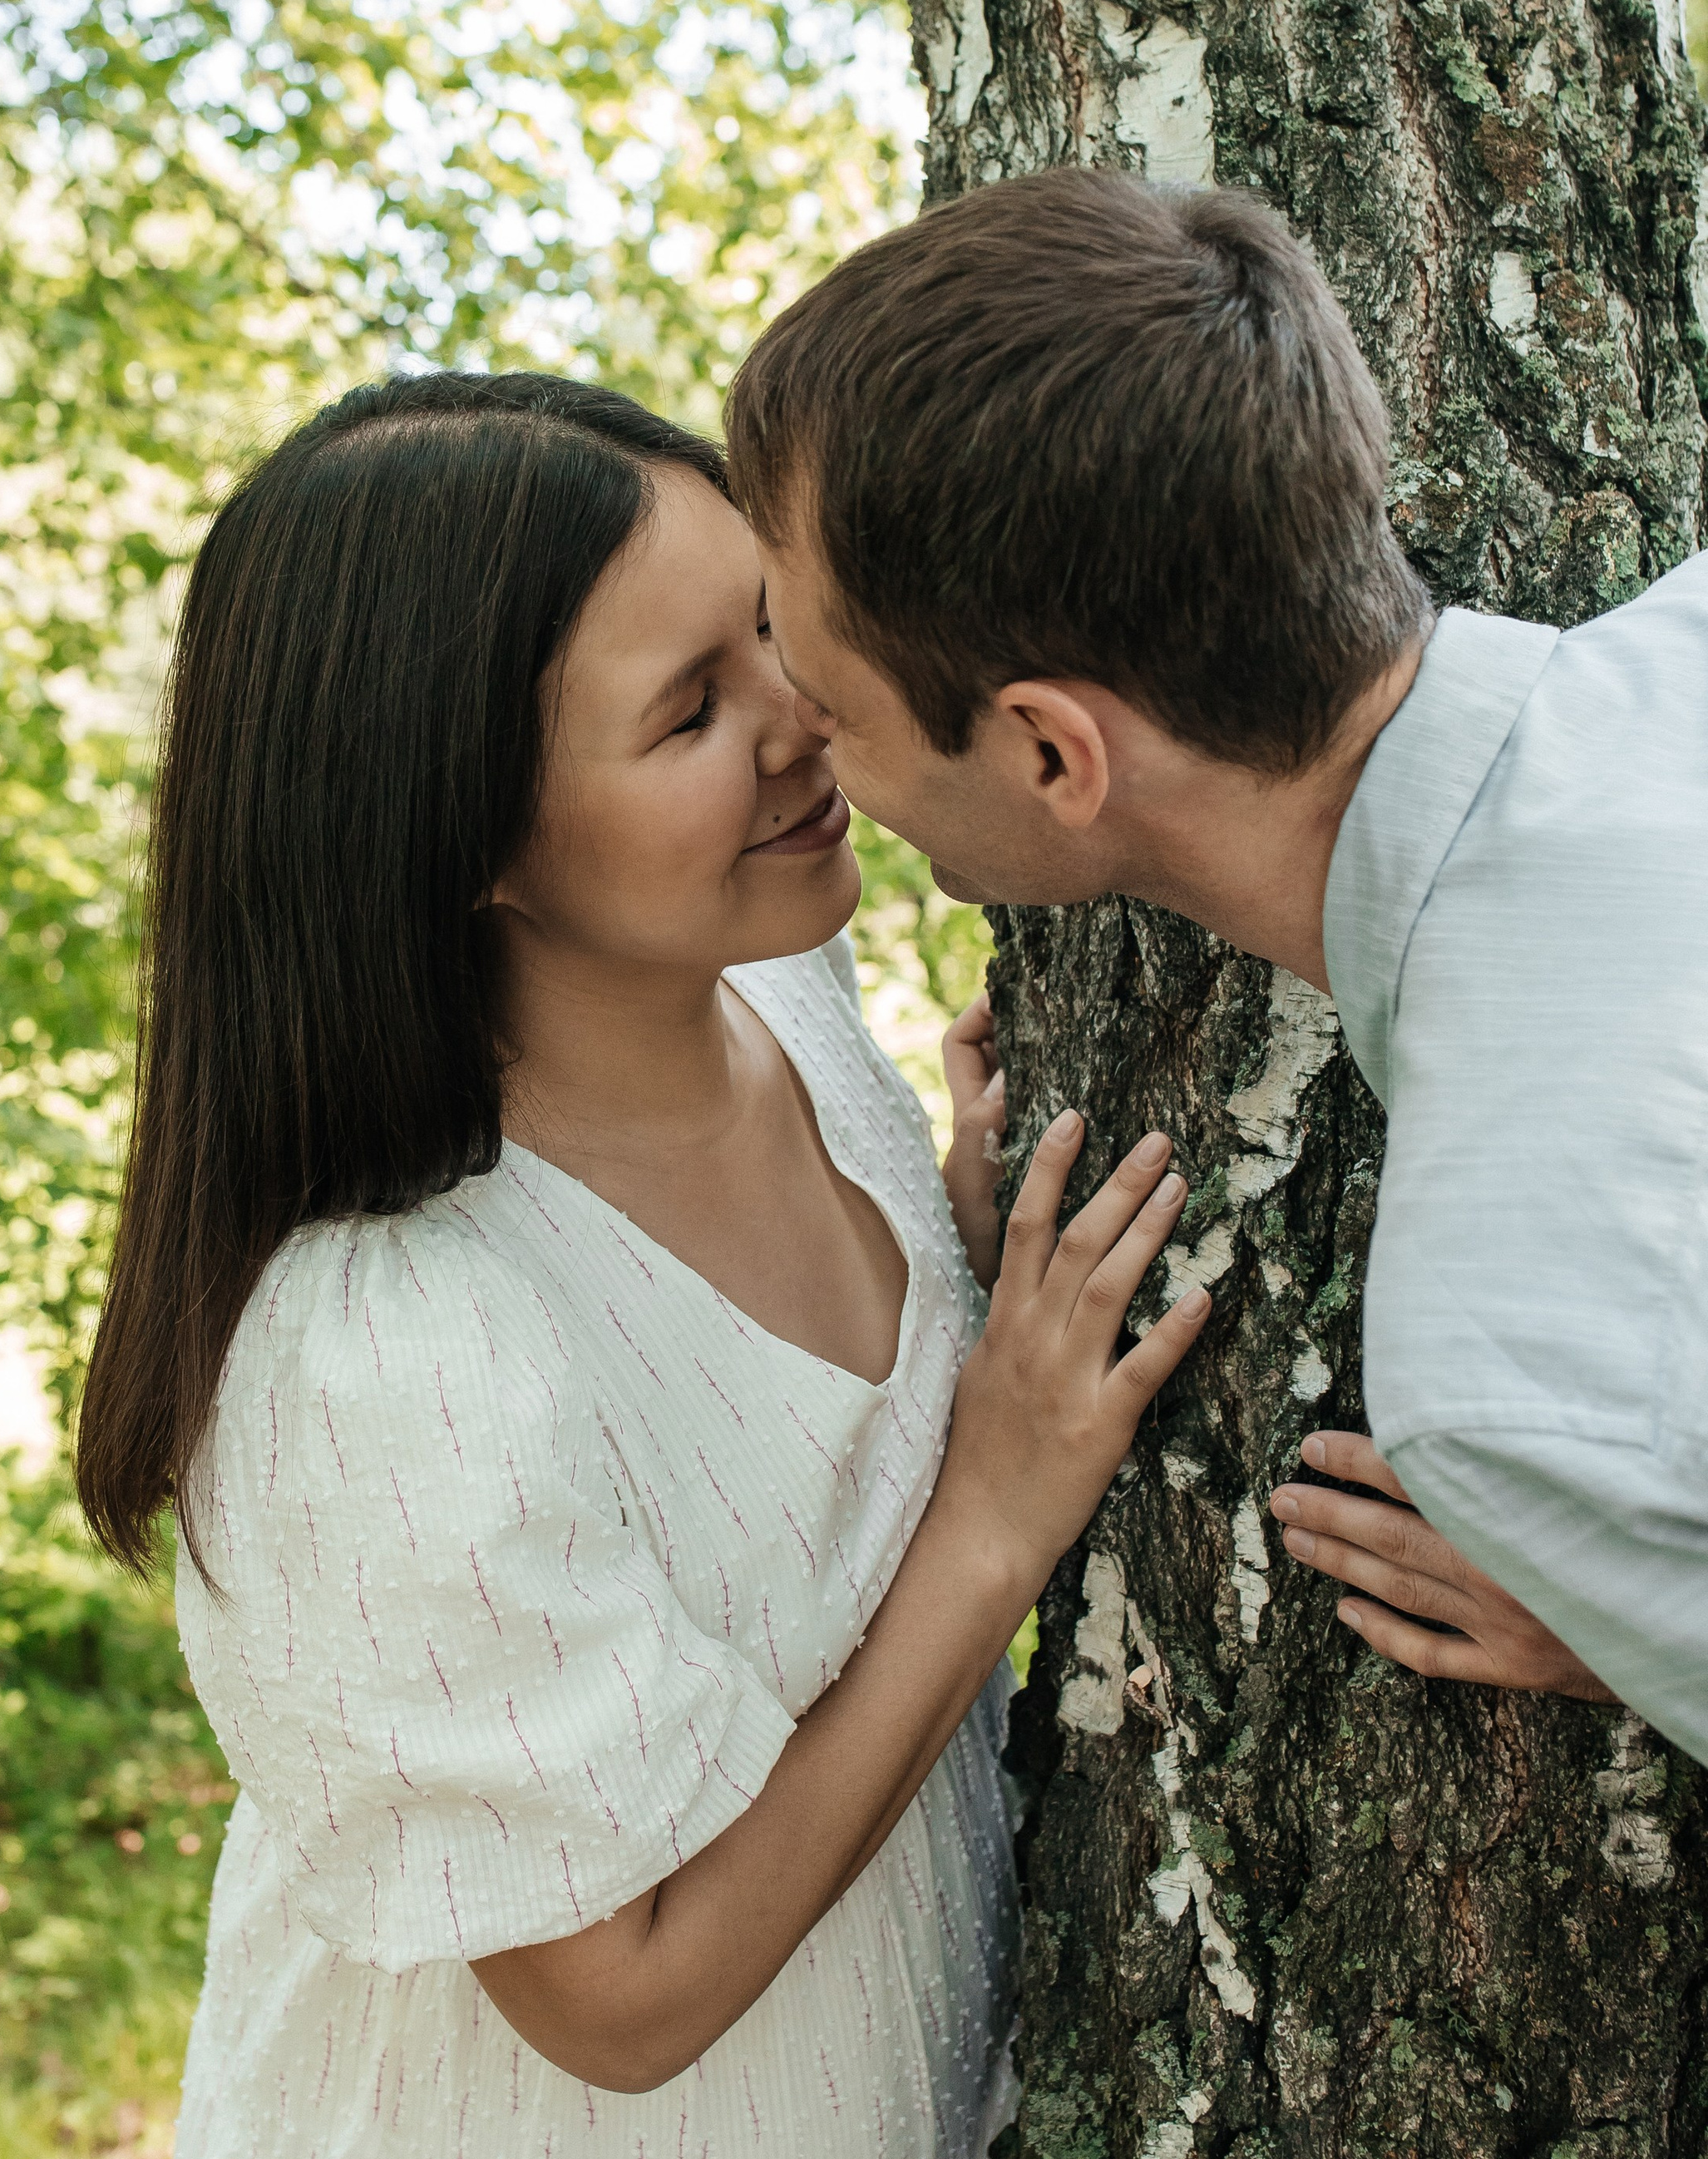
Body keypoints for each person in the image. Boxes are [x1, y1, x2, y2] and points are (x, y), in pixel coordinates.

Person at [73, 371, 1209, 2159]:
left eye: (771, 625)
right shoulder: (382, 1347)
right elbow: (624, 1997)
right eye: (687, 712)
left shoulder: (774, 1005)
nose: (801, 721)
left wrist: (951, 1246)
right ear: (459, 837)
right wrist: (988, 1518)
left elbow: (785, 1466)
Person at [725, 167, 1708, 1760]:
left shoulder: (1513, 1388)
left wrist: (1642, 1611)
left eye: (834, 708)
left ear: (1052, 752)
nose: (805, 753)